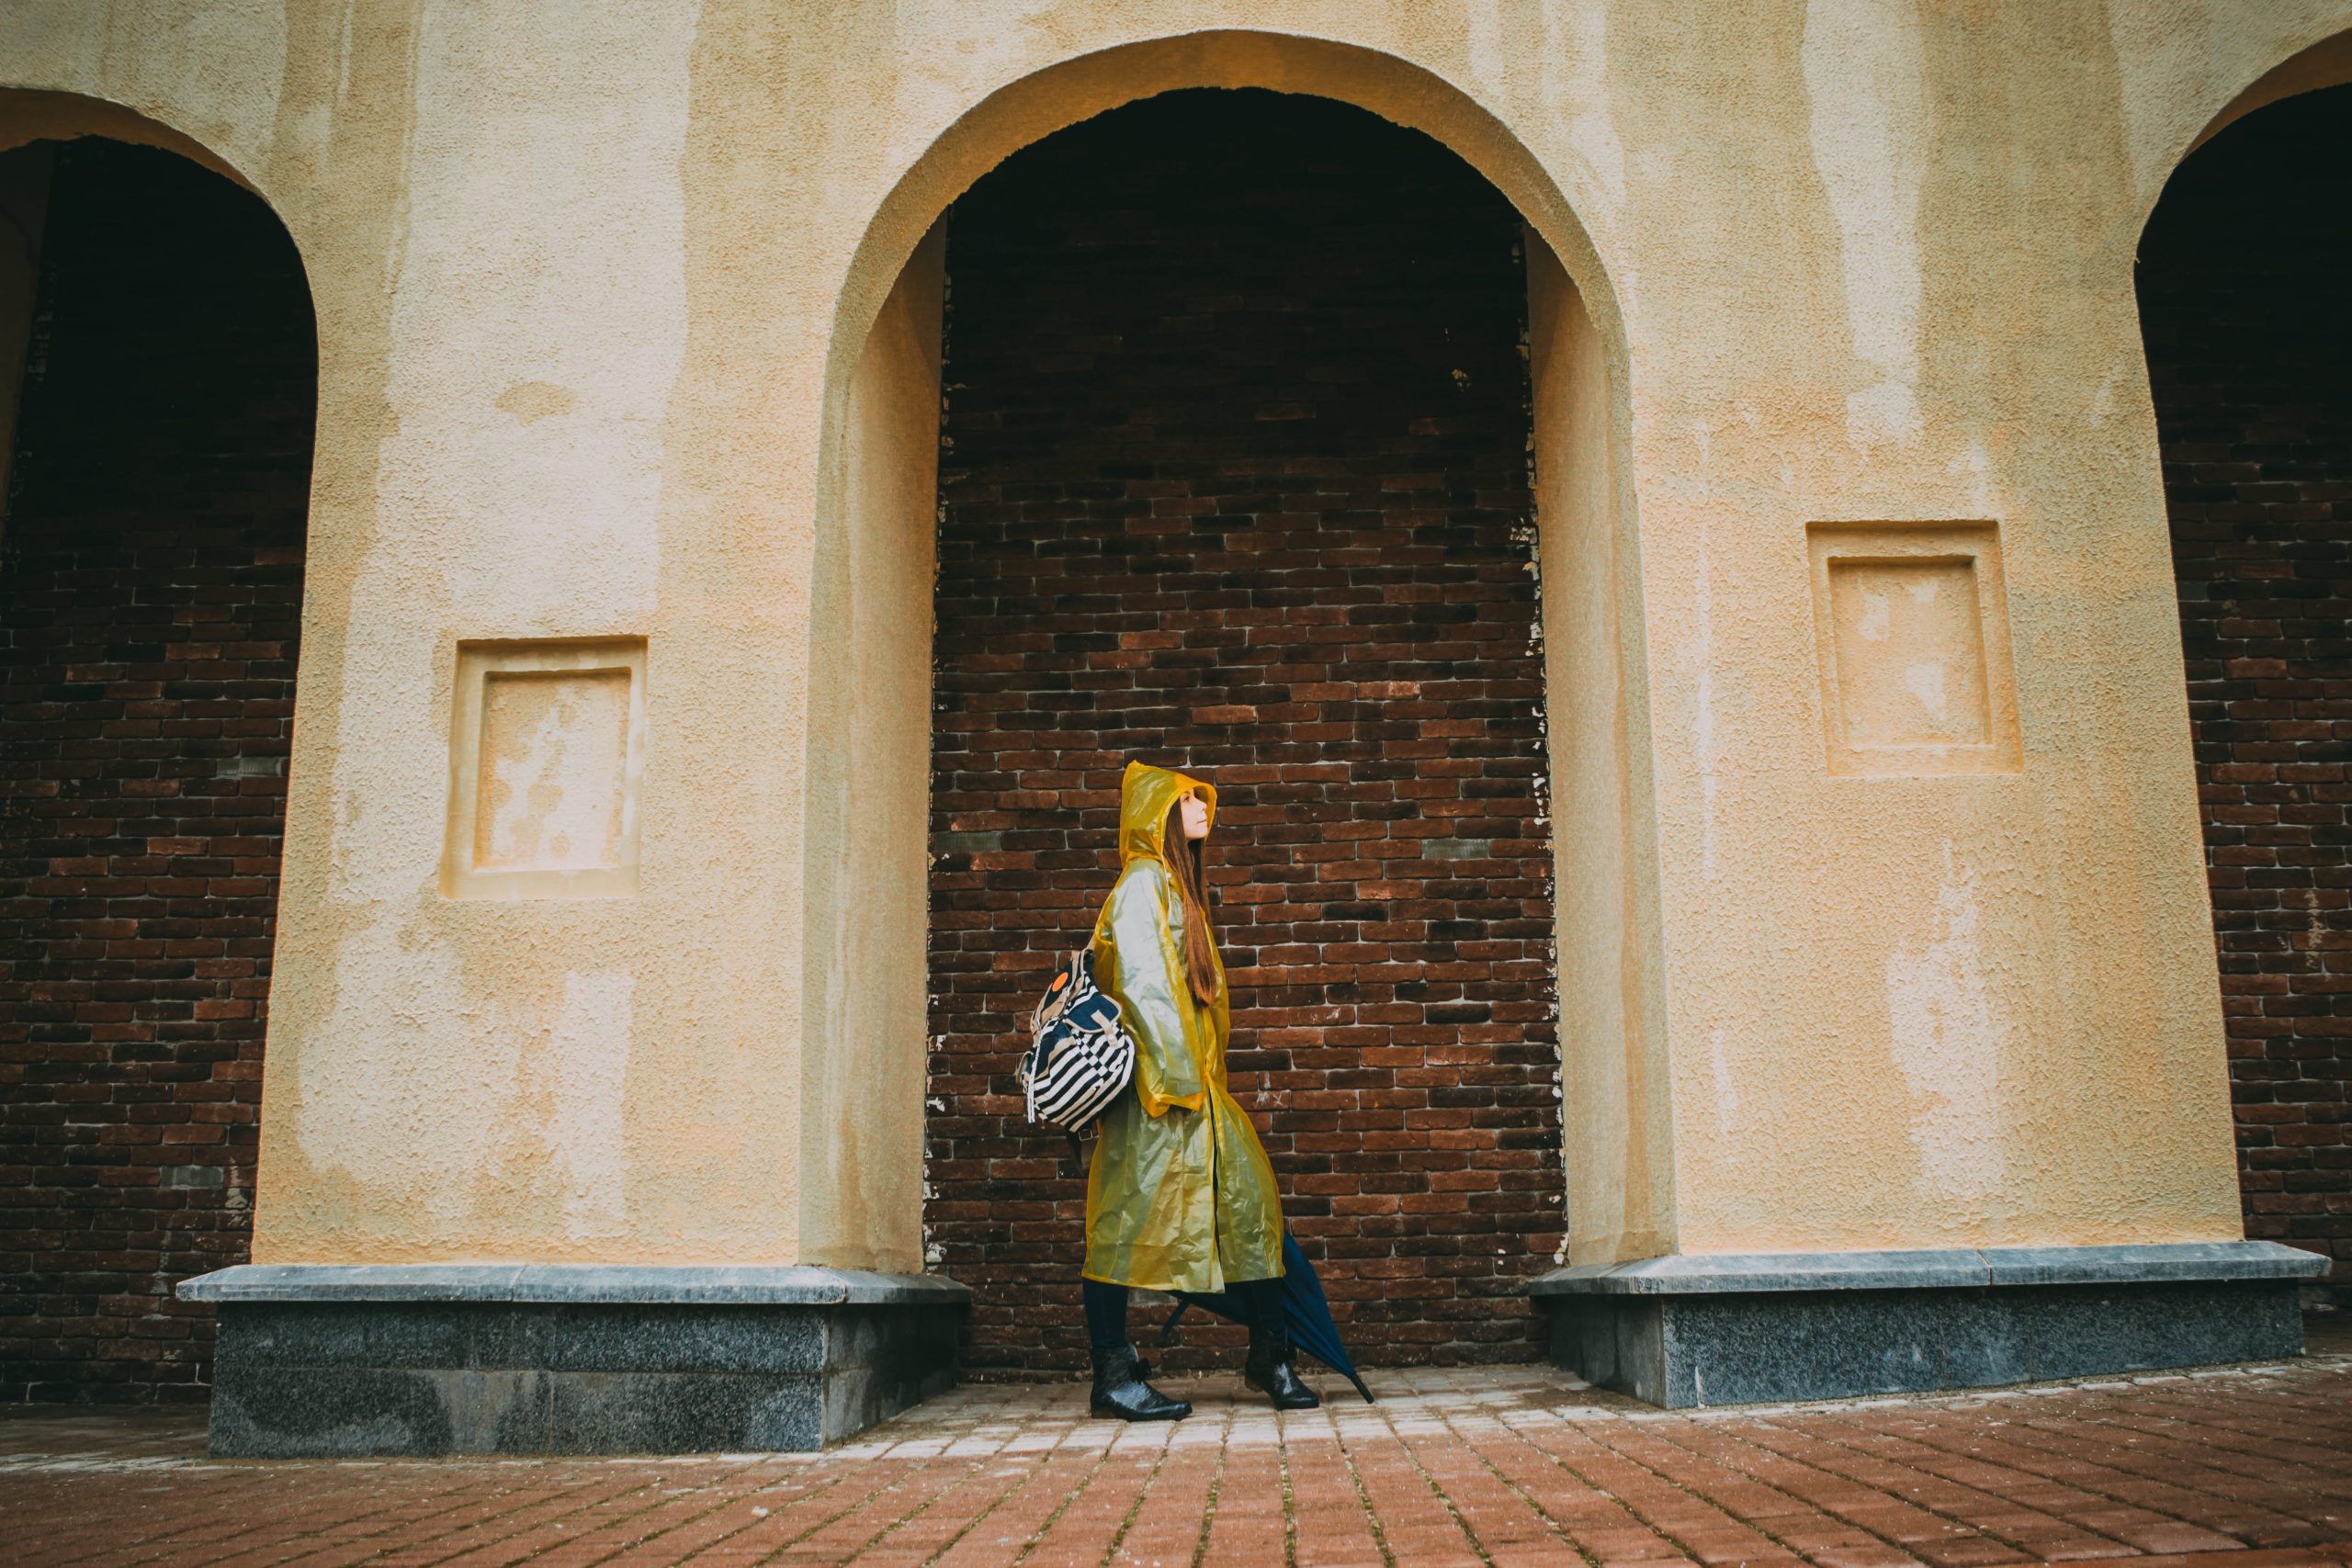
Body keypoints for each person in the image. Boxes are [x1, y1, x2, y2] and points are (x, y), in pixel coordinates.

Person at [1079, 760, 1318, 1420]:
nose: (1203, 806)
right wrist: (1179, 1084)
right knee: (1122, 1228)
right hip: (1161, 1095)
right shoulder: (1141, 883)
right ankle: (1113, 1374)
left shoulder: (1175, 887)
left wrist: (1201, 1085)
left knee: (1251, 1210)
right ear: (1157, 812)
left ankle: (1270, 1355)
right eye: (1187, 798)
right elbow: (1145, 988)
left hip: (1198, 1092)